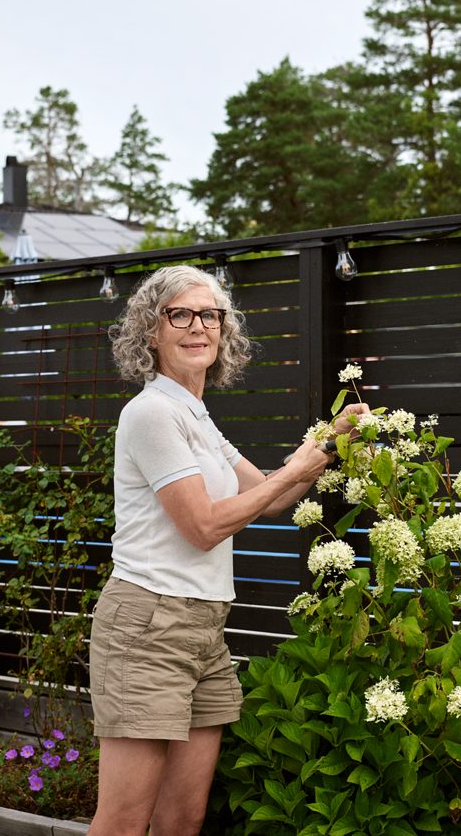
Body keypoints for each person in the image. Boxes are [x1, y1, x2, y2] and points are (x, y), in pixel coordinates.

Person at [88, 264, 366, 835]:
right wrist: (311, 462)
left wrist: (327, 443)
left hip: (203, 627)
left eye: (209, 315)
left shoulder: (195, 415)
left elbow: (265, 496)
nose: (199, 326)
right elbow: (205, 526)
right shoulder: (151, 413)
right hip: (148, 625)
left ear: (224, 329)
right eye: (180, 315)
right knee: (123, 820)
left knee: (182, 820)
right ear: (151, 331)